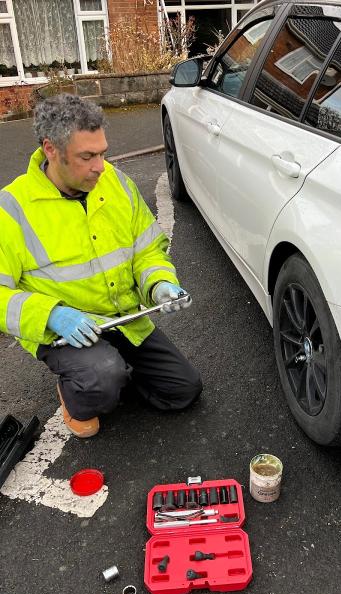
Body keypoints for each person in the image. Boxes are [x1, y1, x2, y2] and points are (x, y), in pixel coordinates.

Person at [0, 93, 202, 438]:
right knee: (102, 377)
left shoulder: (116, 183)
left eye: (103, 153)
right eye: (87, 156)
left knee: (183, 390)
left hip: (122, 318)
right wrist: (51, 315)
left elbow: (147, 250)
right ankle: (81, 392)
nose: (100, 166)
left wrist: (158, 285)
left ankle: (109, 374)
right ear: (51, 149)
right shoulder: (12, 209)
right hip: (67, 332)